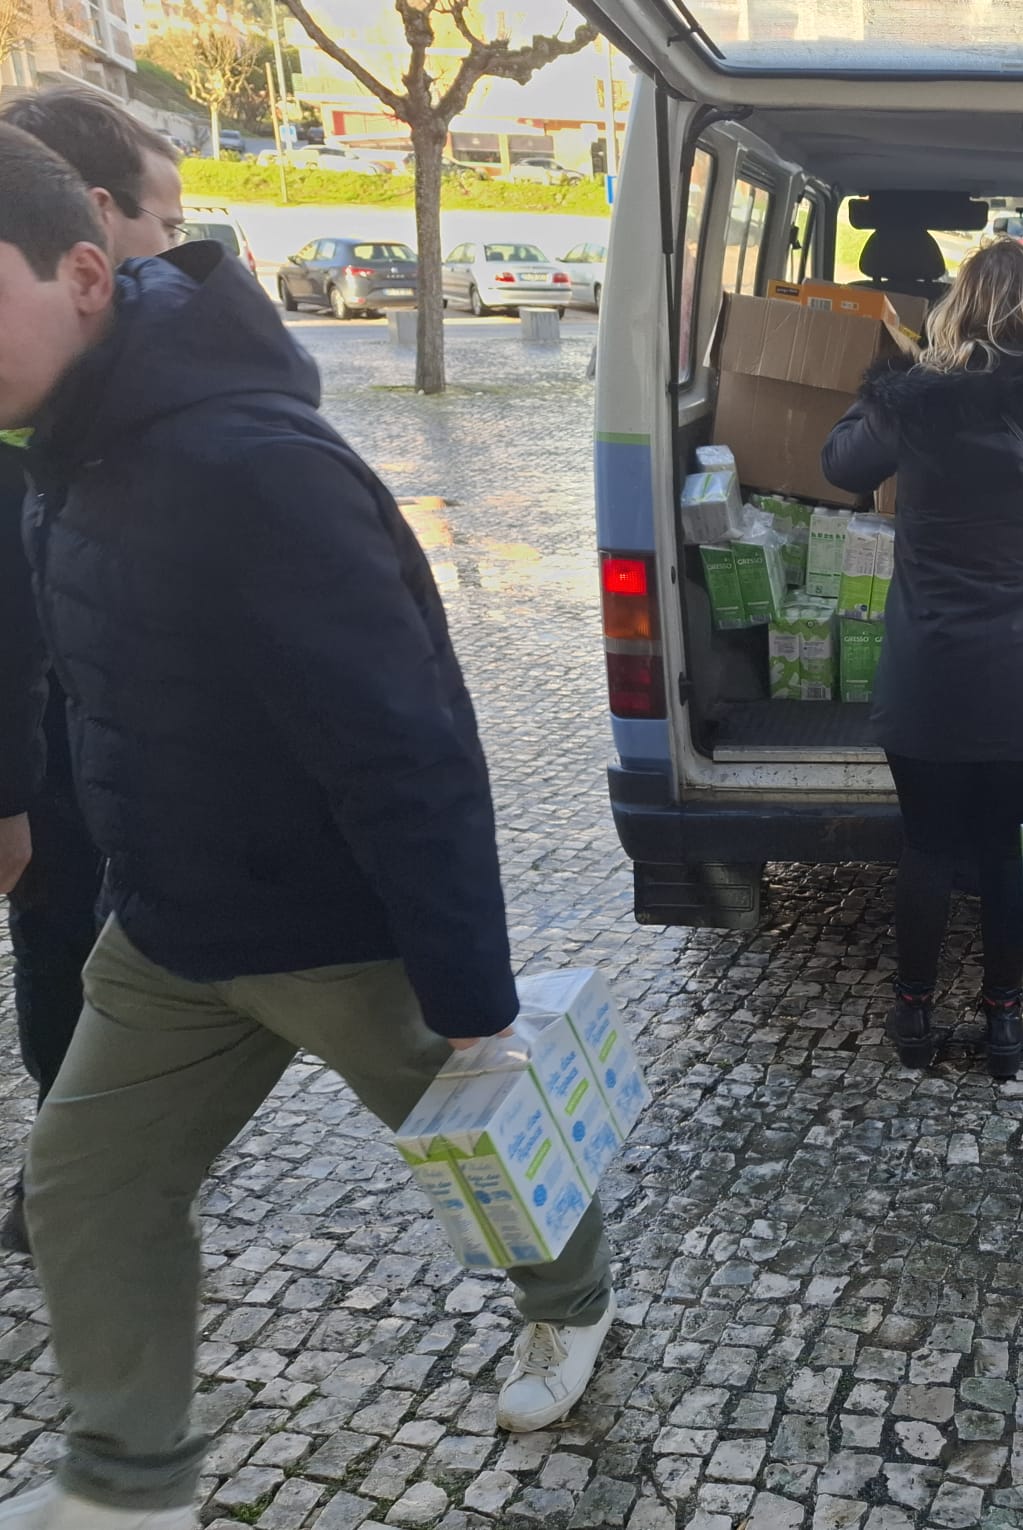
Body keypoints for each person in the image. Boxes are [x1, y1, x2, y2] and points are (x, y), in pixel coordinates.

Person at [0, 127, 614, 1530]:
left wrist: (472, 996)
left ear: (83, 272)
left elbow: (408, 739)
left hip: (333, 931)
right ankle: (128, 1489)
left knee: (485, 1145)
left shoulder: (252, 464)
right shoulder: (70, 441)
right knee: (83, 1183)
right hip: (167, 927)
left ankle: (573, 1298)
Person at [822, 240, 1023, 1079]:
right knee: (1010, 845)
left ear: (957, 304)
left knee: (930, 845)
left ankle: (913, 1015)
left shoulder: (915, 401)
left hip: (930, 668)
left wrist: (877, 389)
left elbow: (839, 465)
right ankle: (1004, 1024)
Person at [0, 88, 187, 1254]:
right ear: (100, 224)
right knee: (70, 945)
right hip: (57, 748)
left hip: (94, 739)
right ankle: (70, 1176)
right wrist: (10, 789)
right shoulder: (35, 398)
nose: (175, 247)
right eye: (166, 222)